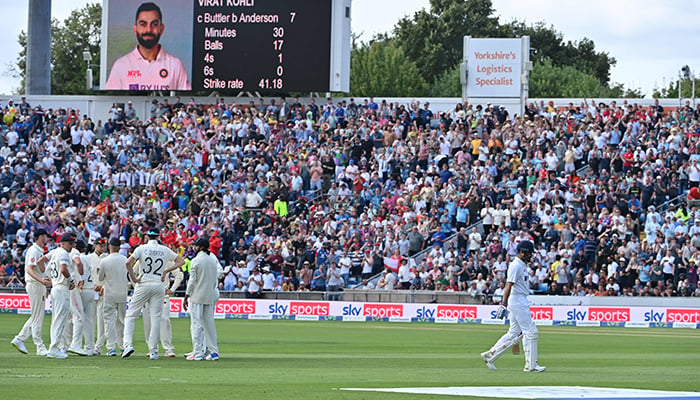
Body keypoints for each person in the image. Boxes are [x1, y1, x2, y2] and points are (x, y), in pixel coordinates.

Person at [480, 240, 546, 372]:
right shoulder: (516, 265)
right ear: (522, 252)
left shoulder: (521, 265)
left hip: (519, 299)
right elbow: (508, 284)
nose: (531, 256)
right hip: (517, 300)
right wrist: (503, 304)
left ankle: (490, 355)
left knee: (514, 333)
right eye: (529, 254)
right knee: (530, 331)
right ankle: (531, 365)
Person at [122, 227, 184, 359]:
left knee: (131, 315)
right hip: (158, 285)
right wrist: (166, 271)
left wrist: (134, 278)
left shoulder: (141, 248)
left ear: (147, 237)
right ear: (158, 237)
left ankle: (127, 345)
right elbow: (181, 261)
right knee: (156, 318)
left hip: (144, 283)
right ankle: (154, 351)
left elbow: (128, 263)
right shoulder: (165, 250)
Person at [105, 2, 191, 90]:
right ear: (135, 29)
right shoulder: (121, 65)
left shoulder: (176, 65)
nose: (148, 29)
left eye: (154, 24)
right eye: (143, 24)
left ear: (161, 29)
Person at [37, 233, 77, 359]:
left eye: (73, 244)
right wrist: (71, 280)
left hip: (55, 287)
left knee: (56, 319)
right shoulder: (63, 253)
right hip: (61, 288)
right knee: (60, 320)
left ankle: (54, 348)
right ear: (63, 243)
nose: (72, 246)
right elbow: (64, 269)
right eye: (70, 243)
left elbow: (40, 261)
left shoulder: (54, 252)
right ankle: (54, 349)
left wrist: (47, 277)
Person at [11, 229, 51, 356]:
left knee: (36, 315)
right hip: (34, 285)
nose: (47, 239)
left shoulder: (38, 251)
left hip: (38, 285)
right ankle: (39, 346)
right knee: (38, 317)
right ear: (40, 237)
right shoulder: (34, 250)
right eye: (45, 236)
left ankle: (19, 339)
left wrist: (45, 284)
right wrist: (41, 280)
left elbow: (40, 268)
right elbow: (29, 269)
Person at [183, 237, 222, 361]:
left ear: (200, 247)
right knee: (209, 324)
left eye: (195, 246)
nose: (194, 247)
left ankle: (198, 352)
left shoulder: (196, 260)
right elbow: (219, 274)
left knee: (196, 324)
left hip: (197, 296)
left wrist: (186, 295)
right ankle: (213, 351)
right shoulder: (212, 259)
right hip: (210, 295)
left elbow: (192, 280)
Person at [142, 259, 183, 358]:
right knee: (148, 322)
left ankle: (168, 349)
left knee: (164, 320)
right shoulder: (143, 256)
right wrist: (138, 287)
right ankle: (151, 347)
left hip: (162, 295)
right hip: (147, 294)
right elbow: (133, 272)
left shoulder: (167, 260)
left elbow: (179, 275)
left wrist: (172, 289)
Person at [98, 237, 129, 357]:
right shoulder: (124, 259)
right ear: (119, 247)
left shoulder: (104, 261)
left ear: (109, 247)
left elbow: (100, 278)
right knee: (121, 321)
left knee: (109, 321)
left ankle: (111, 348)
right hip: (122, 293)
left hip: (110, 294)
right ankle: (122, 346)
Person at [88, 238, 108, 355]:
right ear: (95, 246)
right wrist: (92, 285)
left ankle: (98, 347)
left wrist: (103, 286)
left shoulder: (107, 258)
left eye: (104, 246)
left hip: (102, 292)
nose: (102, 248)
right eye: (100, 246)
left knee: (101, 321)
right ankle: (89, 346)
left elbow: (110, 276)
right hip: (91, 291)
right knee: (90, 320)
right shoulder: (88, 258)